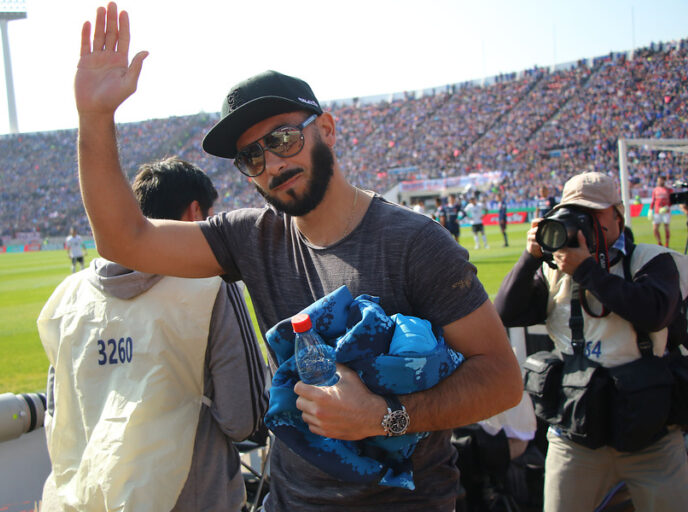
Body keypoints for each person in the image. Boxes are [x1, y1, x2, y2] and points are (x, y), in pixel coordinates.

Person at [71, 4, 522, 510]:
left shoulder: (415, 243)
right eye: (252, 156)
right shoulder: (250, 237)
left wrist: (383, 416)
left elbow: (502, 380)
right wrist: (95, 115)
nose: (273, 164)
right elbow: (123, 240)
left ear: (326, 128)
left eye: (283, 138)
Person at [38, 156, 269, 511]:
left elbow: (57, 417)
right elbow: (244, 419)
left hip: (85, 500)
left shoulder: (65, 298)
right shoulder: (210, 285)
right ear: (195, 214)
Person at [494, 171, 688, 511]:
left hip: (652, 435)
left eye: (592, 213)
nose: (582, 222)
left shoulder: (652, 260)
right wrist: (530, 259)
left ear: (618, 213)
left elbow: (654, 312)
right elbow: (505, 314)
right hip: (577, 433)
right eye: (573, 212)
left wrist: (586, 270)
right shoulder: (556, 270)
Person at [651, 176, 672, 247]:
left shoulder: (668, 190)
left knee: (666, 227)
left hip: (665, 211)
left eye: (660, 181)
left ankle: (667, 243)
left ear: (663, 181)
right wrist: (650, 210)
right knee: (655, 228)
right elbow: (653, 200)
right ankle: (659, 242)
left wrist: (667, 207)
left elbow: (672, 201)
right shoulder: (655, 190)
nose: (658, 182)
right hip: (657, 212)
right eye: (658, 181)